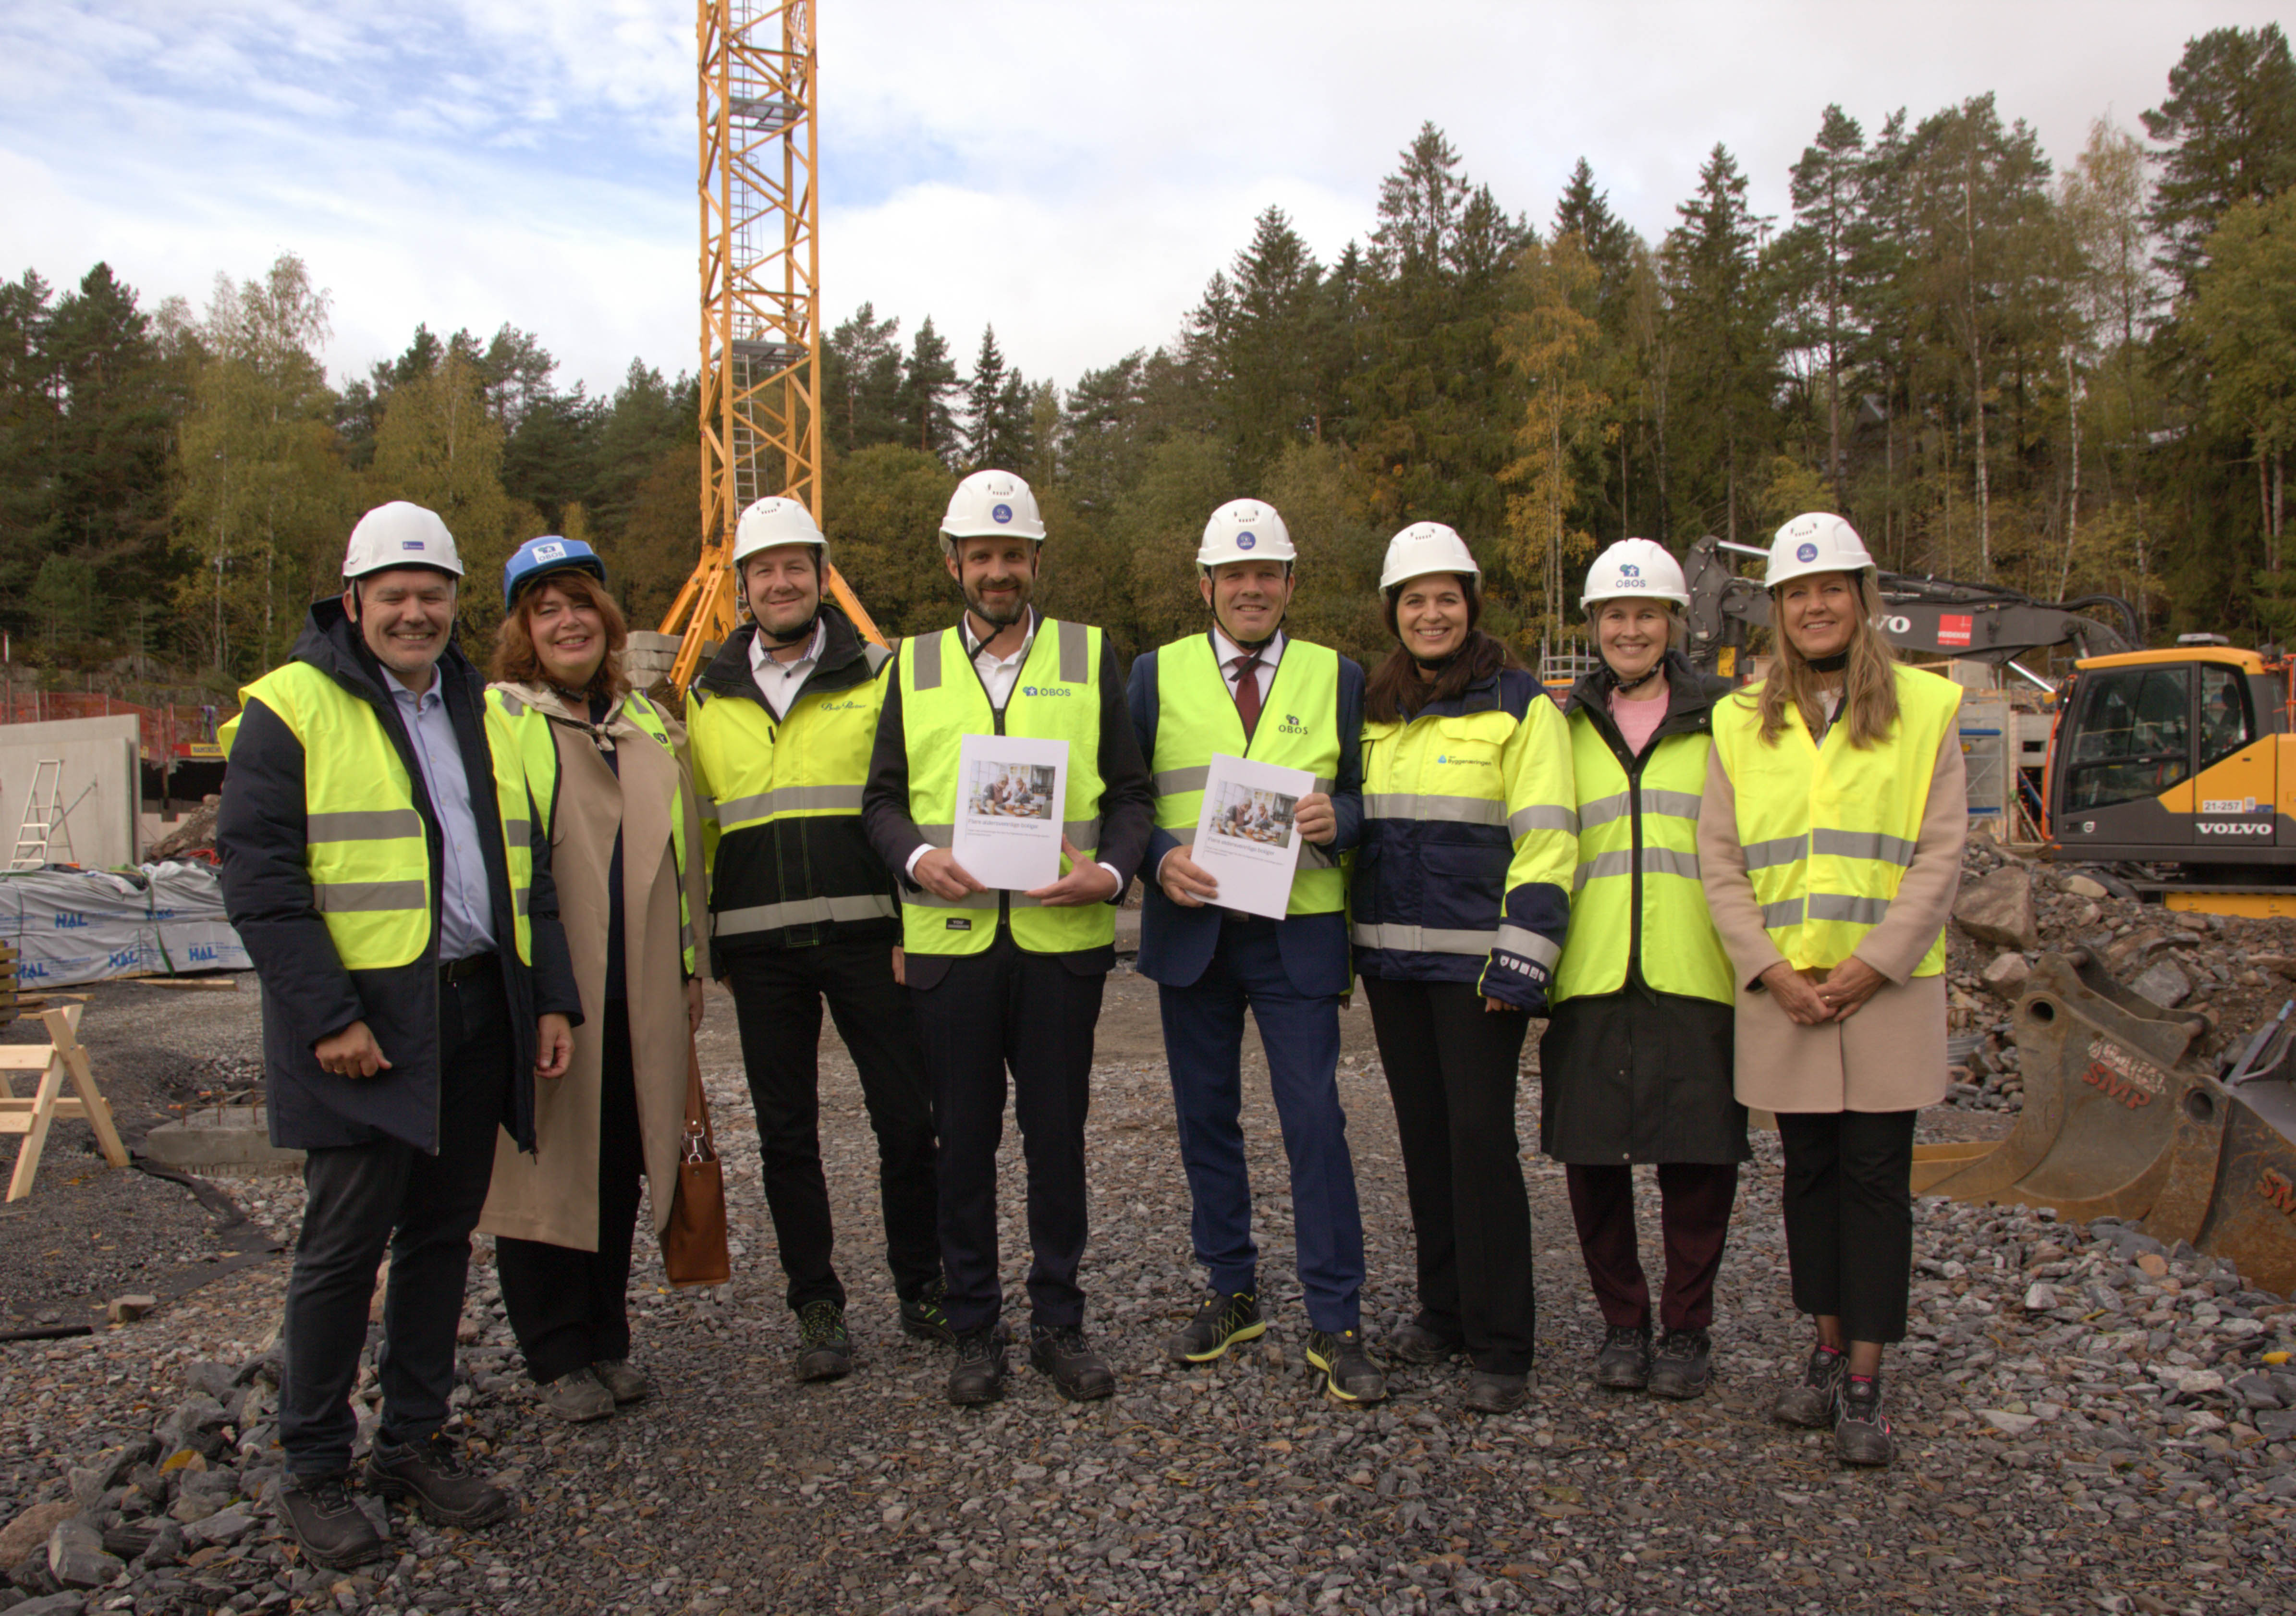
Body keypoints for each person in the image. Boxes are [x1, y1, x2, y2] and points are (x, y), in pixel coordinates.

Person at [216, 502, 580, 1569]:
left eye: (432, 594)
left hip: (477, 1007)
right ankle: (313, 1467)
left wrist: (546, 999)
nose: (414, 612)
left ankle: (413, 1442)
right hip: (363, 1023)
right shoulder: (291, 706)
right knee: (341, 1248)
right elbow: (261, 881)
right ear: (354, 598)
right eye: (394, 595)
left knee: (439, 1236)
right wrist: (328, 1016)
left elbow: (528, 870)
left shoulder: (485, 708)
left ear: (455, 601)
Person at [862, 469, 1155, 1406]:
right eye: (981, 555)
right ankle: (974, 1326)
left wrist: (1111, 872)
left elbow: (1131, 794)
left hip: (1060, 942)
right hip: (950, 947)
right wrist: (915, 857)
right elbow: (878, 802)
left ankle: (1058, 1321)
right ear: (953, 562)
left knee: (1056, 1138)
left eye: (1013, 554)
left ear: (1035, 559)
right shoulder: (911, 665)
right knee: (962, 1141)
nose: (998, 570)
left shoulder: (1086, 653)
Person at [1698, 511, 1966, 1467]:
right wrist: (1769, 967)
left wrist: (1874, 961)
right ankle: (1822, 1346)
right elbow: (1720, 861)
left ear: (1861, 599)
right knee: (1808, 1179)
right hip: (1789, 992)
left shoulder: (1926, 708)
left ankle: (1864, 1375)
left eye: (1831, 590)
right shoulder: (1739, 719)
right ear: (1777, 609)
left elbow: (1940, 854)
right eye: (1797, 594)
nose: (1815, 607)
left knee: (1875, 1183)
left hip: (1883, 990)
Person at [1125, 500, 1381, 1404]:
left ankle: (1336, 1317)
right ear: (1206, 585)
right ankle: (1231, 1289)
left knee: (1314, 1122)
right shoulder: (1153, 674)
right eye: (1233, 575)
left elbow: (1366, 794)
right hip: (1193, 932)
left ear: (1289, 584)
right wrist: (1157, 860)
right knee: (1206, 1119)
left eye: (1265, 574)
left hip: (1295, 937)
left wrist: (1339, 818)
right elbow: (1126, 797)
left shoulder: (1338, 676)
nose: (1250, 589)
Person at [684, 496, 946, 1381]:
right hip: (760, 949)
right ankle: (817, 1305)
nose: (781, 582)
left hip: (871, 935)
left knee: (907, 1119)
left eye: (796, 566)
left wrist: (913, 918)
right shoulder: (706, 694)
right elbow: (702, 829)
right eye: (764, 570)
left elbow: (911, 800)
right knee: (786, 1135)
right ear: (743, 586)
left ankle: (922, 1283)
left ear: (821, 576)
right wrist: (709, 944)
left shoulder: (878, 674)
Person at [477, 537, 708, 1420]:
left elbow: (683, 862)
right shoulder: (502, 721)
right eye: (546, 611)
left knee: (619, 1167)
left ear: (607, 620)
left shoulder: (644, 724)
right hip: (551, 988)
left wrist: (690, 969)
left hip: (638, 987)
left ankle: (607, 1339)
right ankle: (557, 1353)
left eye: (581, 605)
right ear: (523, 632)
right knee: (546, 1168)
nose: (568, 622)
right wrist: (536, 991)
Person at [1349, 524, 1575, 1414]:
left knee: (1480, 1141)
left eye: (1447, 598)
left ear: (1471, 606)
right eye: (1415, 600)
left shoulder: (1520, 704)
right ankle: (1442, 1311)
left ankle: (1502, 1343)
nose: (1432, 614)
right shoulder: (1376, 705)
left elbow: (1549, 840)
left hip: (1481, 971)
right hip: (1393, 966)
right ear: (1394, 612)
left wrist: (1522, 963)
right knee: (1424, 1139)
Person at [1540, 539, 1747, 1402]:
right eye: (1615, 616)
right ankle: (1622, 1325)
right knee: (1595, 1162)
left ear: (1675, 623)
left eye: (1648, 615)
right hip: (1590, 971)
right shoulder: (1562, 725)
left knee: (1699, 1164)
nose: (1631, 630)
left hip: (1694, 968)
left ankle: (1686, 1329)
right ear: (1594, 625)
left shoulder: (1724, 719)